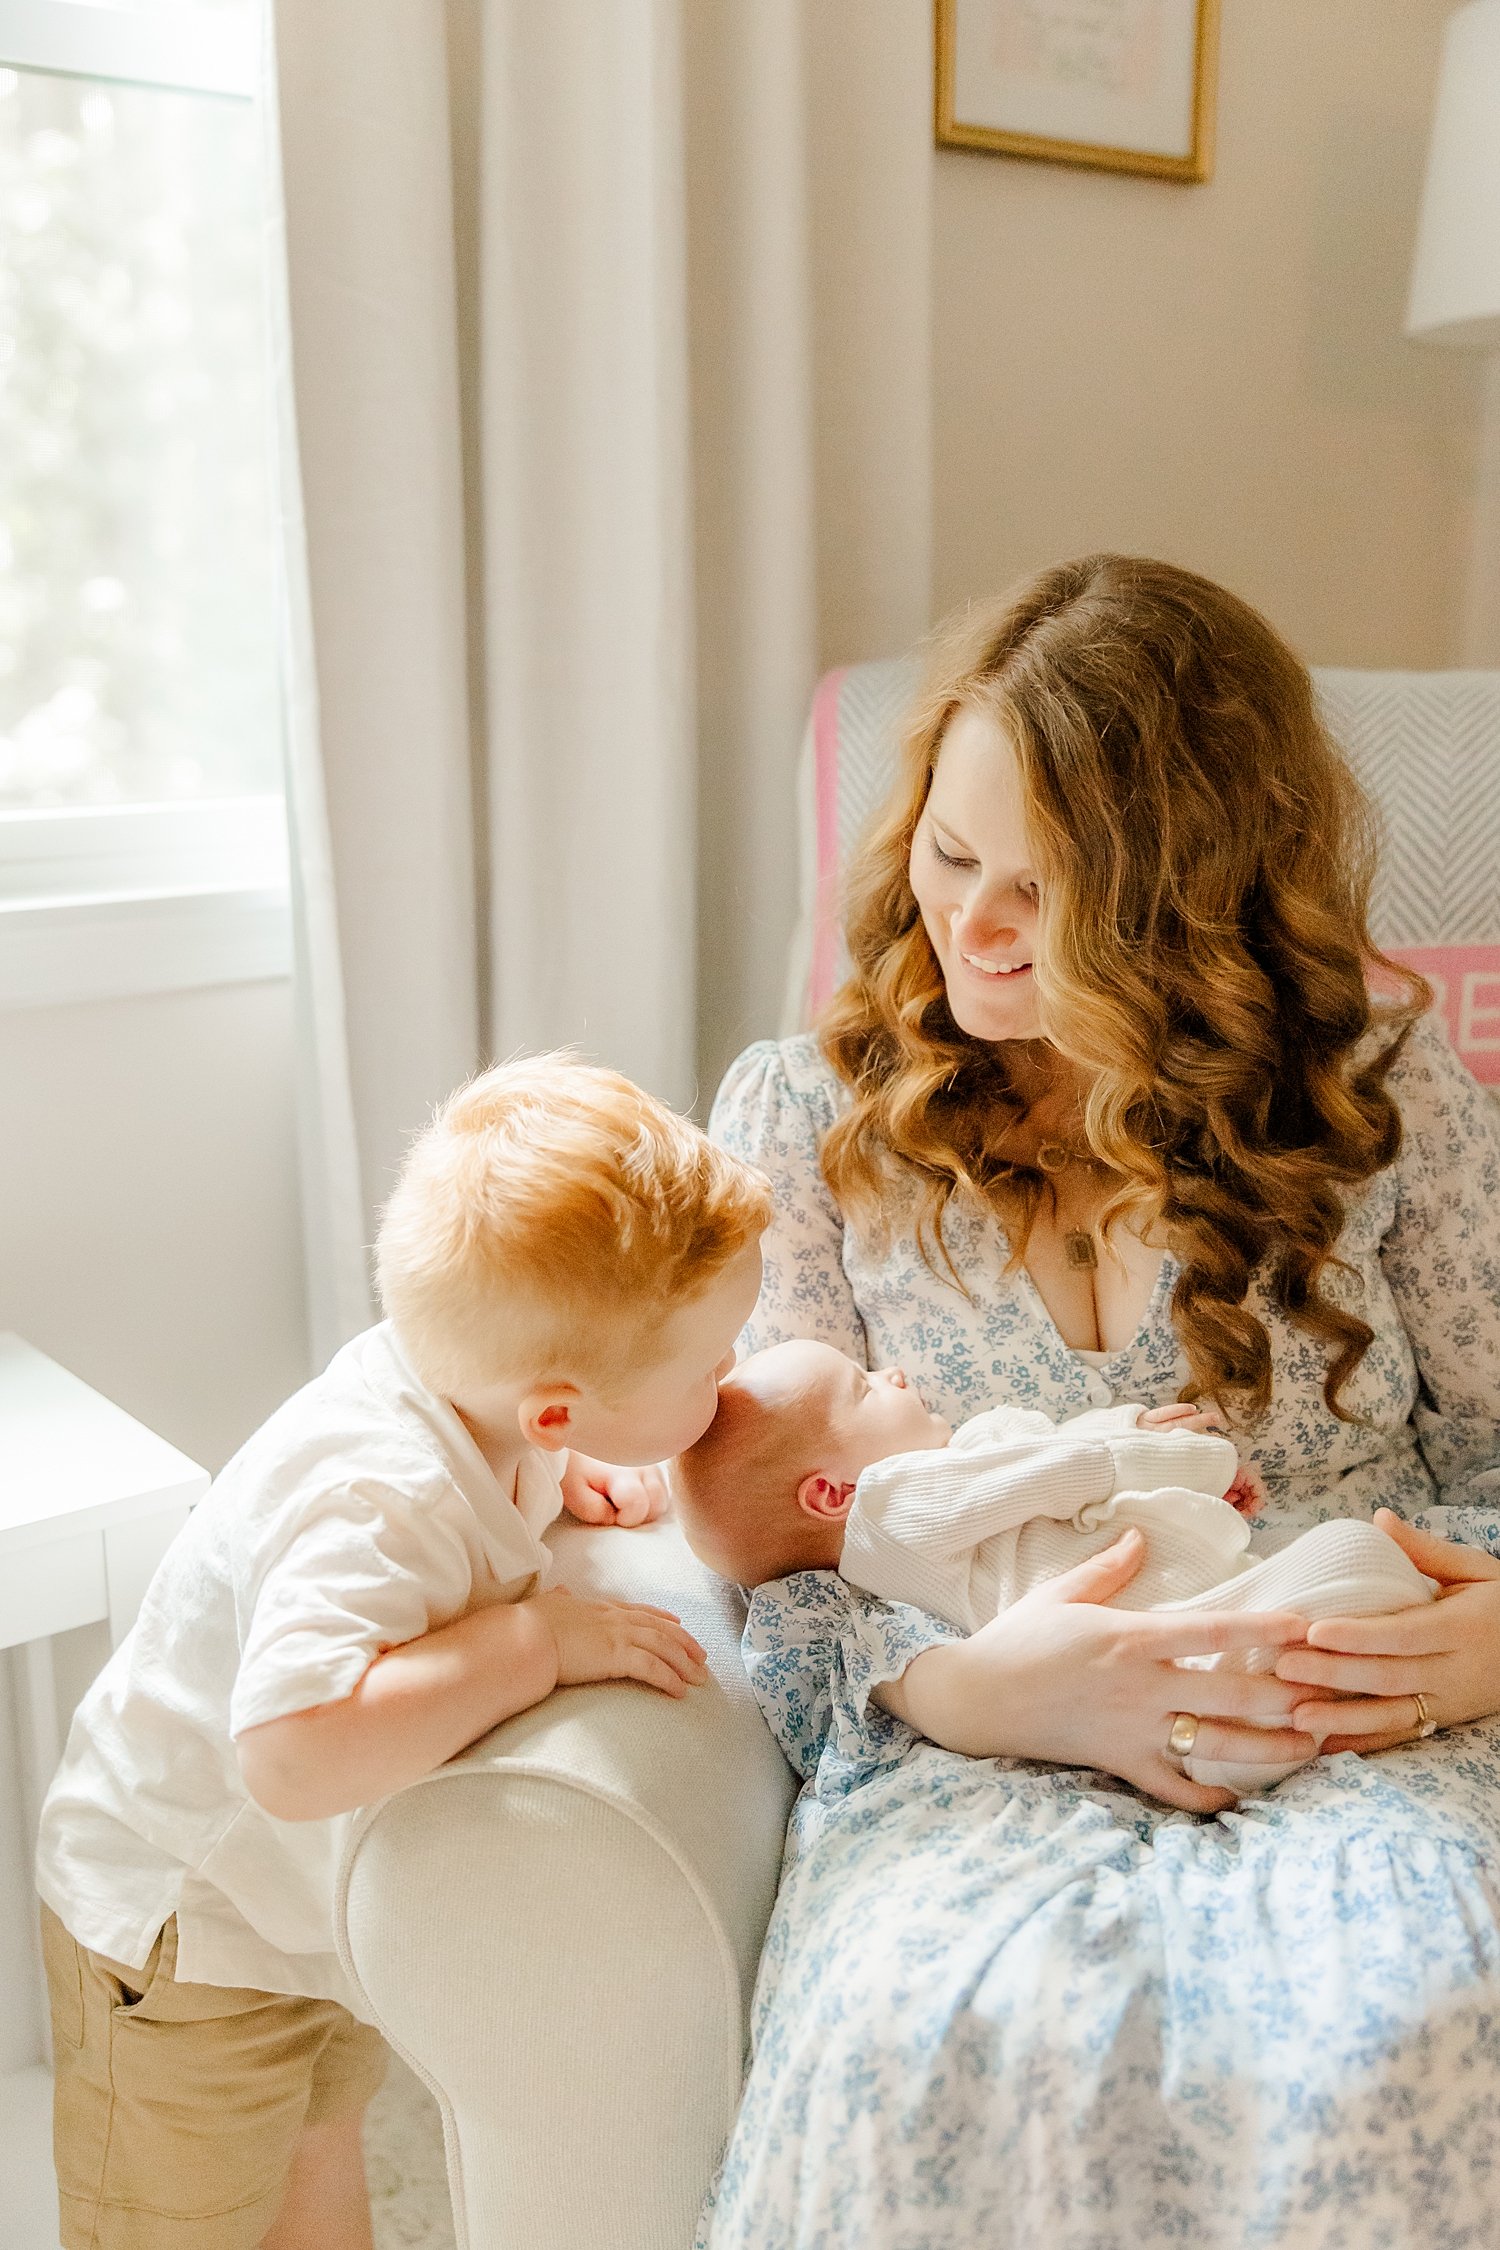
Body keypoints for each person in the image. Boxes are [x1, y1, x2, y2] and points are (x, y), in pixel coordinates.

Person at [701, 555, 1500, 2249]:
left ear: (1196, 899)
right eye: (950, 855)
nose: (968, 930)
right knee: (934, 2034)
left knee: (1412, 2021)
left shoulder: (1382, 1089)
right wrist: (978, 1692)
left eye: (1044, 893)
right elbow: (755, 1549)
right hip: (978, 1741)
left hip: (1357, 1705)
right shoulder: (804, 1121)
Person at [35, 1054, 771, 2250]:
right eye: (707, 1366)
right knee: (184, 2219)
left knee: (320, 2182)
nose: (729, 1375)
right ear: (555, 1403)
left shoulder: (486, 1407)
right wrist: (530, 1642)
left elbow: (507, 1460)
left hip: (290, 1917)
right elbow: (290, 1750)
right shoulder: (371, 1500)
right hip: (180, 1932)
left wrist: (570, 1469)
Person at [672, 1338, 1436, 1791]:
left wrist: (1134, 1434)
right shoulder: (893, 1503)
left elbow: (1036, 1465)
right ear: (832, 1493)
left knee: (1332, 1597)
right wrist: (1179, 1458)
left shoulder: (906, 1541)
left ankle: (1276, 1717)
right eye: (864, 1389)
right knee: (1357, 1552)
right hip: (1177, 1639)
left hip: (1171, 1656)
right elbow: (1056, 1469)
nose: (894, 1374)